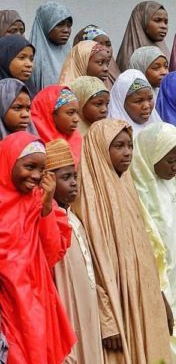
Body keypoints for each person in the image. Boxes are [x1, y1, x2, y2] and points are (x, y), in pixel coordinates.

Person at [72, 119, 172, 363]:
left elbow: (144, 250)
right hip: (117, 308)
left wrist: (159, 297)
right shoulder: (86, 198)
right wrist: (107, 318)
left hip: (143, 300)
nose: (127, 153)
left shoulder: (126, 186)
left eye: (130, 146)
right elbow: (88, 264)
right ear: (100, 148)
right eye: (118, 146)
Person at [0, 132, 76, 364]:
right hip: (6, 308)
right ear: (8, 161)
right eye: (29, 166)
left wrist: (46, 208)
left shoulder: (40, 200)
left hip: (36, 305)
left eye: (41, 170)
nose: (35, 176)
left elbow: (52, 254)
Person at [131, 122, 176, 361]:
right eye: (169, 160)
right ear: (152, 155)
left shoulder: (173, 186)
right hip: (162, 289)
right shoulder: (138, 194)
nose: (175, 167)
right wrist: (159, 294)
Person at [46, 138, 103, 364]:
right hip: (65, 313)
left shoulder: (74, 220)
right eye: (65, 178)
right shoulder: (48, 223)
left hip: (88, 315)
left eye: (75, 176)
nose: (73, 183)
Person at [31, 85, 82, 163]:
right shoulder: (34, 145)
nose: (76, 119)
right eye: (70, 113)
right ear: (50, 114)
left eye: (77, 113)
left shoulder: (76, 139)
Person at [29, 1, 73, 92]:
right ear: (45, 24)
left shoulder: (71, 57)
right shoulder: (31, 60)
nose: (66, 30)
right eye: (59, 24)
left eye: (69, 25)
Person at [116, 1, 170, 71]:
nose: (164, 26)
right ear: (142, 21)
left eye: (166, 22)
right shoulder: (129, 56)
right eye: (157, 20)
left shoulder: (164, 50)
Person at [107, 69, 162, 136]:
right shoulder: (113, 135)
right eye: (138, 101)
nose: (146, 106)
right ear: (121, 103)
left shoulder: (159, 129)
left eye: (150, 98)